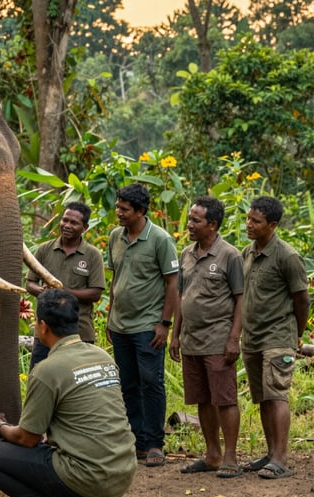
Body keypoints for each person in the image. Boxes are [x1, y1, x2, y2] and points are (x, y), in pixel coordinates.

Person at [0, 289, 137, 497]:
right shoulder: (103, 357)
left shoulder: (47, 370)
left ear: (42, 327)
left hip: (87, 478)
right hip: (122, 471)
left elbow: (27, 439)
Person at [169, 197, 244, 478]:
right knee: (202, 399)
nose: (189, 224)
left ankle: (230, 457)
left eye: (195, 220)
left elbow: (240, 300)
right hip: (191, 340)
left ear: (212, 224)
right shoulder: (187, 254)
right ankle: (212, 454)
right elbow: (180, 296)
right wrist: (175, 335)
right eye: (189, 218)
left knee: (224, 399)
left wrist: (234, 338)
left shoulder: (230, 255)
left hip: (218, 340)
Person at [106, 183, 179, 468]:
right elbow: (116, 279)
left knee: (151, 382)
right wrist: (111, 315)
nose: (118, 213)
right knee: (127, 384)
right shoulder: (116, 237)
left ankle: (154, 443)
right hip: (121, 325)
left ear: (140, 211)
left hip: (148, 325)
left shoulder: (160, 239)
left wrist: (164, 324)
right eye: (118, 207)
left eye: (124, 209)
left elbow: (173, 282)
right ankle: (135, 441)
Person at [240, 196, 310, 480]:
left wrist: (298, 333)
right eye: (248, 218)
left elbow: (302, 299)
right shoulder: (248, 252)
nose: (249, 225)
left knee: (277, 394)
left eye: (256, 221)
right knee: (263, 398)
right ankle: (270, 454)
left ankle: (281, 458)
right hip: (252, 336)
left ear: (272, 225)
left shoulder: (288, 256)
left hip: (278, 335)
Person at [26, 201, 105, 368]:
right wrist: (44, 292)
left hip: (79, 332)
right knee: (39, 374)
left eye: (74, 223)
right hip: (46, 332)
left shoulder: (92, 255)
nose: (67, 225)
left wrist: (63, 292)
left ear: (84, 227)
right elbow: (30, 283)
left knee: (79, 379)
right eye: (64, 220)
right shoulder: (44, 250)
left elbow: (95, 293)